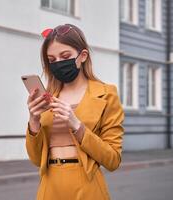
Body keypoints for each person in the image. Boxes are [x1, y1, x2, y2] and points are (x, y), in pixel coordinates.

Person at [25, 23, 125, 200]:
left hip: (87, 186)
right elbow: (35, 159)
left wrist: (77, 125)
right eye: (52, 60)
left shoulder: (106, 94)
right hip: (50, 187)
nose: (58, 63)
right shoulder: (48, 97)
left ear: (83, 56)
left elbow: (113, 160)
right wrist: (34, 121)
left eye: (65, 56)